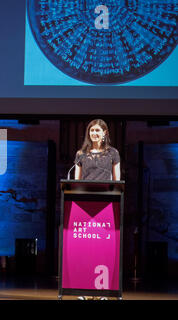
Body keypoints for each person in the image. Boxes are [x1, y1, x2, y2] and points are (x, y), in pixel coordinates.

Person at [74, 119, 120, 301]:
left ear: (105, 133)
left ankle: (103, 292)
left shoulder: (113, 153)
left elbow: (117, 181)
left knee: (103, 250)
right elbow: (75, 183)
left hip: (106, 206)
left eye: (97, 131)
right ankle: (84, 291)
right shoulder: (81, 154)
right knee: (85, 251)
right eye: (91, 130)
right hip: (84, 207)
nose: (94, 133)